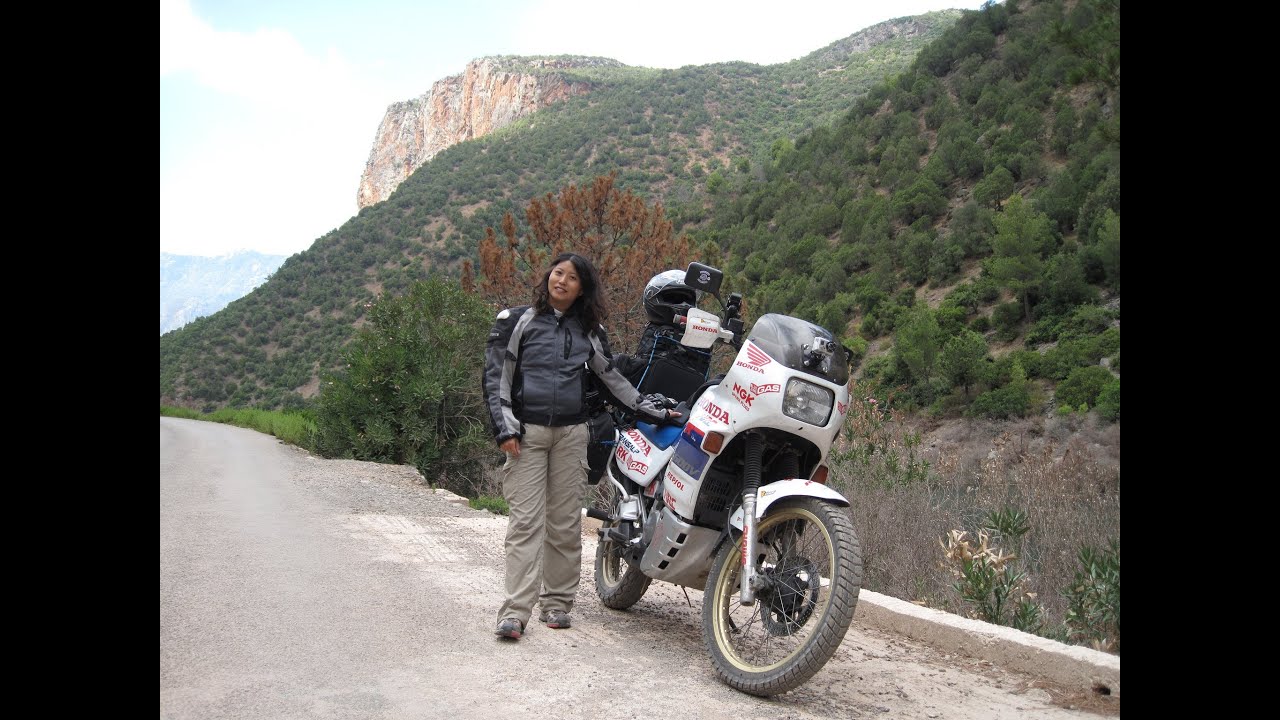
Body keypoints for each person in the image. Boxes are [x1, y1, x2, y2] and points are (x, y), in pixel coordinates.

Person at [482, 252, 673, 640]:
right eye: (558, 273)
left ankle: (557, 604)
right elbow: (496, 377)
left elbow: (612, 379)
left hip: (571, 436)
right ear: (547, 277)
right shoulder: (516, 321)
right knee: (525, 524)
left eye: (572, 278)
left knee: (566, 524)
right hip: (527, 436)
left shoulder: (590, 330)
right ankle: (516, 612)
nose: (562, 281)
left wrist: (652, 410)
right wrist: (505, 428)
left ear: (582, 288)